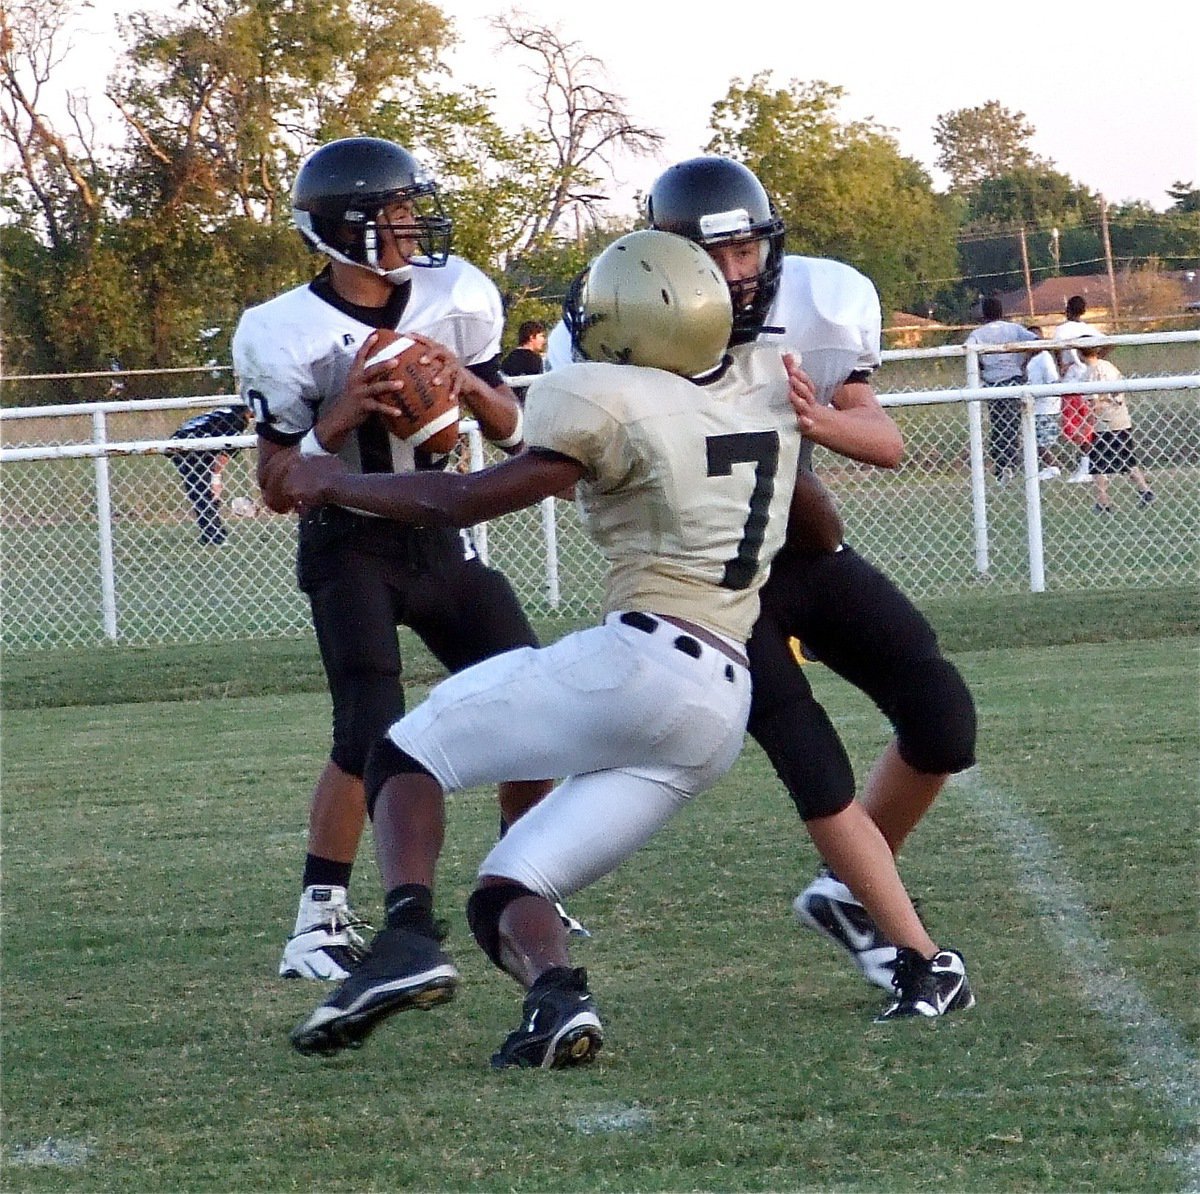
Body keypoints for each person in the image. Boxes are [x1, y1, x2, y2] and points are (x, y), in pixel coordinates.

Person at [283, 228, 812, 1066]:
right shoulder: (758, 397)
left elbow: (464, 499)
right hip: (719, 708)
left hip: (647, 658)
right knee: (509, 888)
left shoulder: (607, 392)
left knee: (400, 752)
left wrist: (337, 481)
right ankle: (556, 1001)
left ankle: (406, 936)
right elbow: (817, 522)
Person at [643, 156, 976, 1016]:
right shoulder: (628, 315)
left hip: (803, 550)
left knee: (942, 717)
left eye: (745, 251)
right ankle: (918, 958)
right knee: (809, 754)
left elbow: (884, 440)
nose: (735, 273)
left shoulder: (822, 302)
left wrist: (817, 420)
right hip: (708, 576)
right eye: (713, 256)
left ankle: (844, 889)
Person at [231, 136, 550, 983]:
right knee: (367, 728)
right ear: (342, 230)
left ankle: (524, 882)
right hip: (348, 543)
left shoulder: (457, 294)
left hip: (438, 536)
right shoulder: (281, 331)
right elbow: (276, 485)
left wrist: (467, 386)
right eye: (394, 212)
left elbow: (513, 432)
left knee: (534, 707)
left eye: (411, 208)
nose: (412, 225)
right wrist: (338, 417)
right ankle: (318, 922)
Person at [965, 295, 1039, 485]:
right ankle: (1010, 464)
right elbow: (1037, 342)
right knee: (1012, 424)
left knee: (998, 424)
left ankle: (1002, 466)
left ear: (984, 313)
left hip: (993, 383)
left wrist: (983, 368)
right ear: (1001, 311)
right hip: (1013, 380)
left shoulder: (978, 334)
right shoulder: (1014, 329)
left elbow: (970, 353)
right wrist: (1023, 362)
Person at [1078, 342, 1155, 513]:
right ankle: (1145, 490)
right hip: (1121, 419)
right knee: (1126, 459)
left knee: (1097, 463)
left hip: (1105, 423)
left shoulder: (1091, 373)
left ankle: (1102, 501)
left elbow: (1095, 403)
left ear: (1080, 353)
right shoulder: (1108, 366)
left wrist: (1086, 423)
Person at [167, 403, 252, 544]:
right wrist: (216, 480)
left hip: (181, 441)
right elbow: (224, 454)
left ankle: (212, 532)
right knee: (204, 492)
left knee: (200, 491)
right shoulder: (236, 421)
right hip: (191, 447)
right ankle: (214, 535)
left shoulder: (224, 412)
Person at [1054, 295, 1098, 482]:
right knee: (1085, 424)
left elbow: (1056, 349)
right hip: (1089, 381)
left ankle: (1087, 466)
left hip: (1072, 382)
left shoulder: (1062, 330)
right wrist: (1096, 359)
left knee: (1074, 426)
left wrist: (1061, 365)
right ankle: (1087, 464)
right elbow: (1109, 342)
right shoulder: (1089, 329)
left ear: (1067, 310)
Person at [1025, 327, 1062, 480]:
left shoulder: (1044, 357)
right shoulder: (1031, 359)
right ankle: (1049, 466)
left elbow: (1052, 380)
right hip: (1035, 406)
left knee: (1041, 441)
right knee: (1034, 439)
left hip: (1046, 406)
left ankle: (1053, 466)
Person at [499, 320, 547, 403]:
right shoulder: (535, 360)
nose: (544, 340)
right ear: (532, 337)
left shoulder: (508, 358)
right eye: (541, 336)